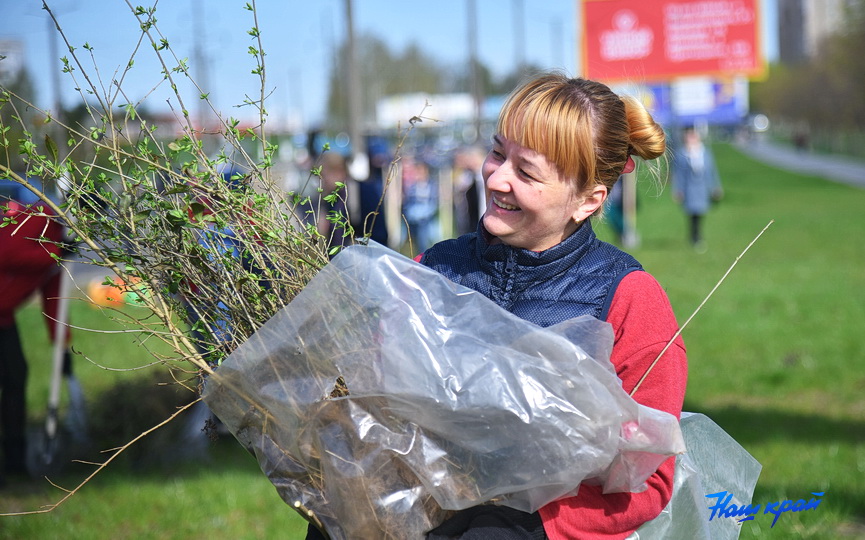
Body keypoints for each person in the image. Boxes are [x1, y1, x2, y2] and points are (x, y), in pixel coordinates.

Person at [417, 73, 687, 539]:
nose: (497, 178)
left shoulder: (628, 298)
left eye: (526, 172)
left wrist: (530, 524)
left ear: (586, 200)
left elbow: (649, 480)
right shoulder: (431, 269)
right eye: (499, 153)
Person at [0, 182, 71, 484]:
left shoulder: (61, 249)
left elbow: (54, 298)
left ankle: (15, 460)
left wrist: (62, 347)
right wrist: (55, 252)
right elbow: (4, 250)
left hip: (3, 318)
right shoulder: (38, 218)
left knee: (16, 377)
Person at [672, 126, 722, 252]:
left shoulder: (705, 153)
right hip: (689, 189)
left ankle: (697, 236)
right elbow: (678, 174)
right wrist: (678, 190)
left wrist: (716, 187)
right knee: (692, 213)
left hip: (702, 188)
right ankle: (694, 237)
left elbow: (711, 171)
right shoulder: (682, 154)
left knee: (700, 212)